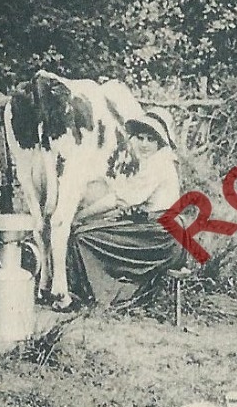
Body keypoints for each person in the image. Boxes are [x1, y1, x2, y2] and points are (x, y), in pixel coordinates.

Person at [61, 107, 185, 309]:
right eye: (140, 138)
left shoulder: (158, 164)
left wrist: (79, 215)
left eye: (150, 139)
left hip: (162, 237)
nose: (144, 144)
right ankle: (100, 293)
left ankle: (103, 295)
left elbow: (120, 199)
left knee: (85, 236)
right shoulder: (153, 162)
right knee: (97, 230)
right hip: (157, 230)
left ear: (160, 143)